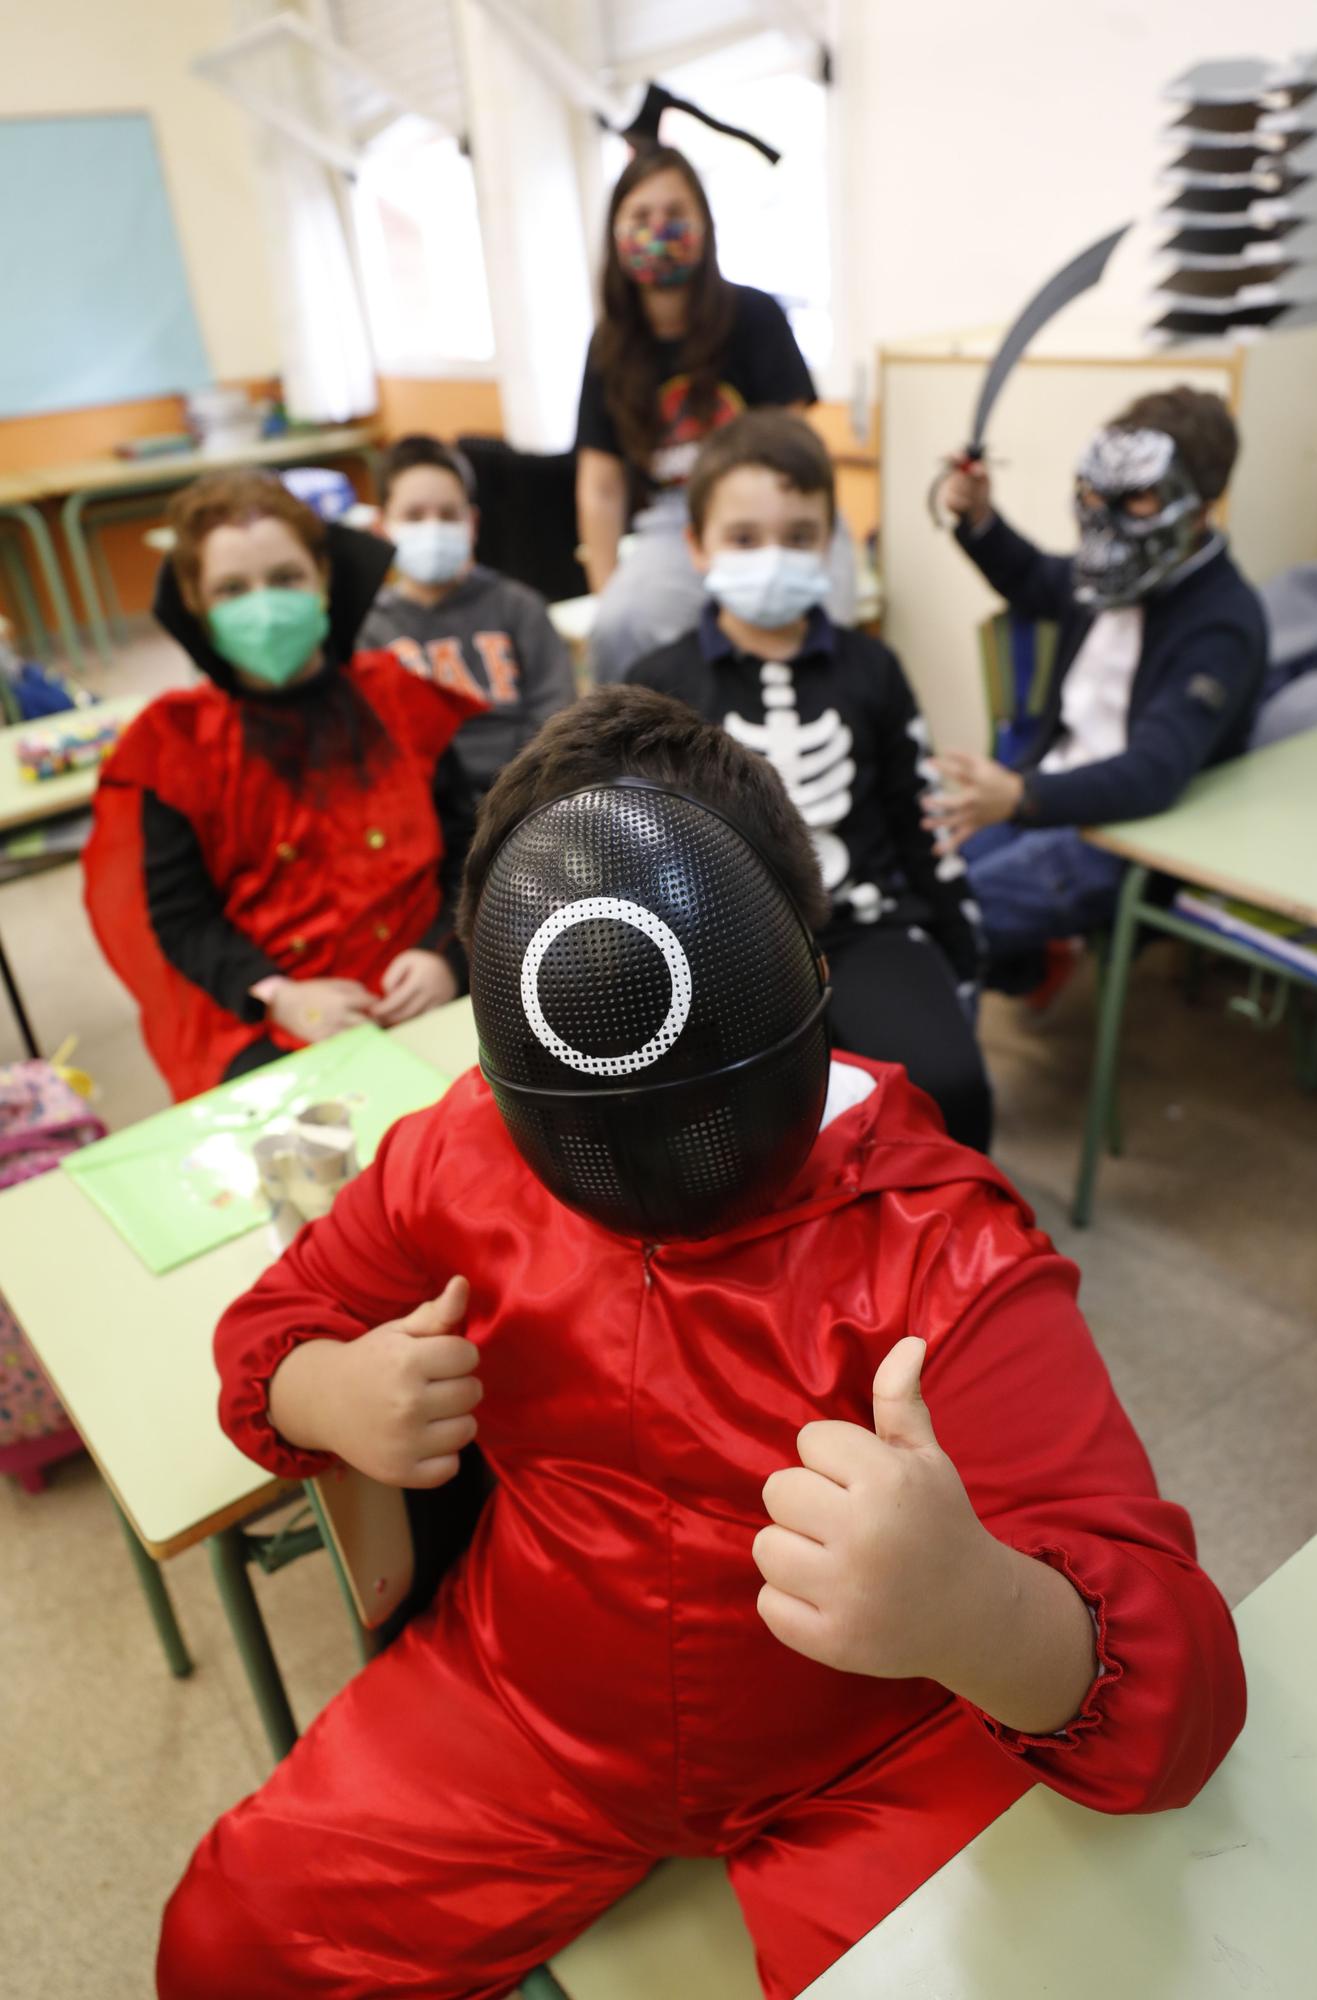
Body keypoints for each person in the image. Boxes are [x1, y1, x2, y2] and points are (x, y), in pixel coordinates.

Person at [158, 686, 1245, 2000]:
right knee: (226, 1943)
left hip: (874, 1748)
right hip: (528, 1709)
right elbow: (269, 1335)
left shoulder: (941, 1252)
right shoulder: (458, 1152)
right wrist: (334, 1391)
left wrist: (977, 1608)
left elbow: (1177, 1706)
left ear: (804, 966)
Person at [630, 410, 990, 1151]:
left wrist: (958, 940)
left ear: (828, 544)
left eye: (798, 536)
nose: (773, 556)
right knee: (729, 1128)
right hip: (715, 945)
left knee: (949, 1087)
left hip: (863, 921)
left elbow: (914, 811)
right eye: (743, 537)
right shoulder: (658, 684)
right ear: (697, 546)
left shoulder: (872, 669)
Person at [84, 471, 481, 1100]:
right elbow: (183, 918)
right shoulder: (175, 744)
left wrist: (445, 955)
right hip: (281, 1016)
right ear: (197, 604)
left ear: (323, 580)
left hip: (429, 979)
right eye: (232, 589)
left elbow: (469, 850)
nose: (263, 605)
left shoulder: (402, 699)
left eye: (286, 578)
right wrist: (280, 996)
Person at [925, 387, 1267, 985]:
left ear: (1198, 505)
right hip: (1047, 787)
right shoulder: (1110, 580)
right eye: (1093, 492)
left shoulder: (1223, 622)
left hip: (1121, 835)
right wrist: (978, 518)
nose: (1103, 517)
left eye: (1136, 497)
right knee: (920, 884)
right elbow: (1035, 578)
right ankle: (1032, 965)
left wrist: (1021, 797)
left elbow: (1152, 773)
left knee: (949, 922)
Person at [576, 145, 857, 683]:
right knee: (618, 627)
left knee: (829, 635)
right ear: (615, 233)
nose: (659, 229)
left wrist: (795, 538)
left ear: (704, 226)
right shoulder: (609, 347)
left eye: (675, 214)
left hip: (777, 504)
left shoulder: (755, 316)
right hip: (674, 519)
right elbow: (600, 488)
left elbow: (798, 450)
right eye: (640, 216)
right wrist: (608, 593)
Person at [358, 434, 577, 794]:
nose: (433, 527)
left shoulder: (518, 607)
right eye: (413, 516)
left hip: (524, 794)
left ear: (471, 524)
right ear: (382, 528)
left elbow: (558, 717)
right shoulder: (369, 628)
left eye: (448, 514)